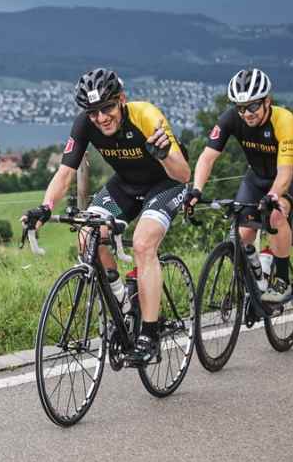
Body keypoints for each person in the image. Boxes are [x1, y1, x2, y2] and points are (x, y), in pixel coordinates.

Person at [22, 68, 190, 366]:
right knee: (87, 235)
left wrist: (163, 155)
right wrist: (45, 208)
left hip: (165, 184)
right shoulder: (84, 125)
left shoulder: (146, 116)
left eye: (107, 108)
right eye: (93, 112)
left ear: (121, 99)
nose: (101, 118)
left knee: (143, 244)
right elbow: (65, 173)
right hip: (125, 186)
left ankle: (149, 334)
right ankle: (122, 302)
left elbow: (184, 174)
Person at [184, 68, 293, 307]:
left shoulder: (284, 121)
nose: (246, 114)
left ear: (267, 101)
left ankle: (282, 281)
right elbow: (207, 157)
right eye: (241, 108)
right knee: (241, 237)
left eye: (253, 106)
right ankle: (259, 278)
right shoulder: (231, 118)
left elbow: (285, 173)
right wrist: (196, 190)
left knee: (275, 216)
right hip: (257, 176)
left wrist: (273, 196)